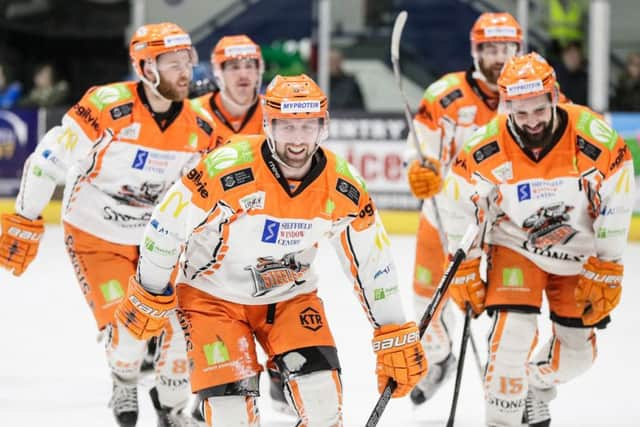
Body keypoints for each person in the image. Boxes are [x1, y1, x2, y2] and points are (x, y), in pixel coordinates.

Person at [114, 73, 427, 426]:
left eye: (307, 127)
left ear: (323, 127)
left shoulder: (343, 185)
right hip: (212, 302)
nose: (297, 140)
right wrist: (151, 291)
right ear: (268, 125)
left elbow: (373, 262)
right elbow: (167, 223)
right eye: (287, 127)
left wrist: (393, 332)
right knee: (231, 417)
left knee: (324, 402)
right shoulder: (226, 168)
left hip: (290, 301)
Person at [0, 22, 217, 427]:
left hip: (157, 243)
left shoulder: (201, 129)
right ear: (146, 68)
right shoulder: (106, 106)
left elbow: (200, 200)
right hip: (95, 235)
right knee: (129, 331)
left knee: (182, 331)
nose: (185, 71)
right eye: (172, 63)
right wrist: (26, 217)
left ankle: (171, 409)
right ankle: (123, 375)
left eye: (187, 60)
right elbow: (47, 160)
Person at [440, 52, 633, 426]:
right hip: (516, 245)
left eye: (538, 111)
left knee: (578, 356)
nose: (530, 123)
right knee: (512, 335)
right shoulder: (486, 145)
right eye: (520, 113)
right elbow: (456, 205)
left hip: (578, 254)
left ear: (554, 98)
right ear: (508, 107)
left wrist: (608, 264)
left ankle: (530, 386)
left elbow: (618, 199)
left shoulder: (593, 137)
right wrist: (463, 265)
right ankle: (504, 411)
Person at [405, 12, 523, 405]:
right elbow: (420, 149)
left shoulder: (533, 93)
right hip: (447, 218)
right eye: (489, 49)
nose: (498, 57)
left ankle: (512, 383)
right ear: (476, 51)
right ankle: (439, 359)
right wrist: (421, 168)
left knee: (512, 309)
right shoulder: (445, 95)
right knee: (426, 300)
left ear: (518, 50)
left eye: (505, 48)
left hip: (510, 225)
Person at [195, 34, 265, 147]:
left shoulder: (273, 112)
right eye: (234, 67)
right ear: (219, 72)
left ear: (258, 70)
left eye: (249, 66)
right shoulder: (195, 111)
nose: (243, 75)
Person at [553, 41, 588, 106]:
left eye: (575, 55)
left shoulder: (587, 81)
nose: (572, 59)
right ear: (563, 56)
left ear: (581, 58)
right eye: (570, 55)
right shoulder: (553, 78)